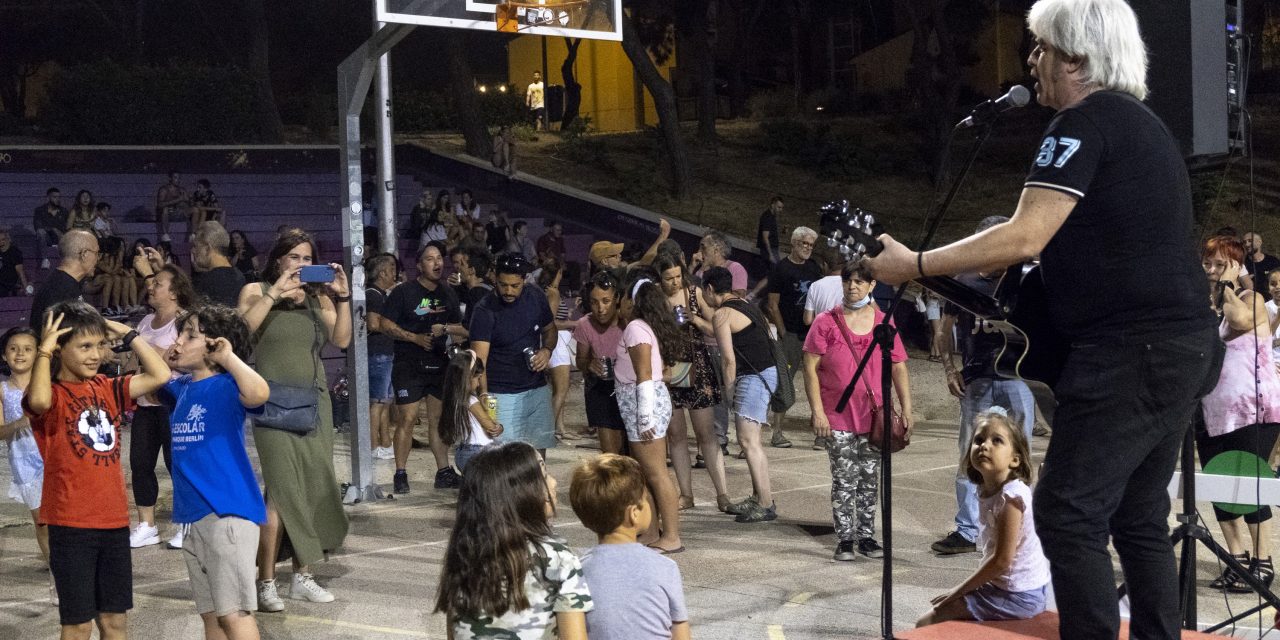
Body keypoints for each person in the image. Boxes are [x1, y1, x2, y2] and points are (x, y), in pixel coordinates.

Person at [862, 1, 1221, 636]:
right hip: (1181, 348)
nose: (1032, 62)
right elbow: (1086, 247)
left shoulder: (1080, 123)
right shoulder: (1143, 125)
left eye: (1042, 49)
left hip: (1129, 355)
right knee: (1136, 516)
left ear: (1076, 59)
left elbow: (1025, 235)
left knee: (1066, 514)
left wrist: (914, 262)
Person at [26, 301, 171, 640]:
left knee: (114, 623)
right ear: (60, 347)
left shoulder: (107, 387)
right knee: (77, 627)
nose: (95, 355)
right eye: (84, 346)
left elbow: (160, 375)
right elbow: (39, 402)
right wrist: (44, 352)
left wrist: (127, 332)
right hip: (71, 524)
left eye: (99, 345)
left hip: (113, 521)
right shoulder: (54, 394)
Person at [237, 229, 351, 612]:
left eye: (307, 259)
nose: (301, 265)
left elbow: (344, 340)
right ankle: (265, 582)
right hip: (272, 405)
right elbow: (241, 333)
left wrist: (342, 295)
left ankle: (303, 576)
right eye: (295, 258)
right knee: (281, 493)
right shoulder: (256, 290)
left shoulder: (318, 298)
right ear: (279, 260)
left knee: (314, 488)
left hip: (315, 404)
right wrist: (275, 293)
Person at [931, 217, 1037, 556]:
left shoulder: (1025, 281)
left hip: (1018, 376)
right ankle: (967, 529)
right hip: (977, 377)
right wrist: (950, 369)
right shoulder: (963, 282)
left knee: (1019, 454)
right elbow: (943, 330)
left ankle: (1017, 526)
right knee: (970, 454)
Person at [163, 305, 269, 640]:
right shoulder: (182, 388)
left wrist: (229, 359)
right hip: (194, 518)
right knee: (212, 618)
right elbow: (151, 373)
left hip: (227, 514)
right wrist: (134, 339)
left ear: (215, 346)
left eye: (190, 335)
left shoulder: (227, 384)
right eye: (179, 333)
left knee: (235, 615)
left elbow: (259, 393)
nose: (178, 341)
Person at [802, 261, 912, 559]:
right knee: (844, 478)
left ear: (872, 285)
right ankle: (845, 539)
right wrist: (818, 411)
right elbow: (810, 368)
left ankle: (866, 537)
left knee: (868, 477)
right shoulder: (825, 322)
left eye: (860, 282)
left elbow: (899, 366)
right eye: (849, 281)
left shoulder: (883, 323)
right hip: (838, 416)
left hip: (873, 416)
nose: (853, 286)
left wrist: (906, 406)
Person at [433, 441, 592, 639]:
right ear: (521, 493)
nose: (553, 483)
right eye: (544, 476)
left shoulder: (465, 552)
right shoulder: (557, 557)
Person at [1197, 235, 1280, 591]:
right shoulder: (1212, 307)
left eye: (1220, 264)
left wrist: (1231, 285)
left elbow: (1242, 321)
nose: (1212, 270)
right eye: (1208, 264)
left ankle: (1263, 561)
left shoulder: (1253, 300)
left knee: (1248, 483)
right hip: (1214, 411)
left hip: (1252, 410)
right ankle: (1237, 558)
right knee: (1219, 482)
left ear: (1236, 265)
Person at [917, 409, 1050, 626]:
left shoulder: (1011, 497)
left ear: (1015, 460)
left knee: (926, 622)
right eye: (979, 440)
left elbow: (1002, 561)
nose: (984, 445)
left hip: (1018, 595)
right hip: (1013, 588)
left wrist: (956, 592)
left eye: (997, 440)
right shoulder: (987, 489)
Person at [372, 242, 466, 493]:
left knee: (437, 419)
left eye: (439, 259)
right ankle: (400, 473)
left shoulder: (448, 293)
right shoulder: (403, 292)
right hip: (408, 364)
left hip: (439, 363)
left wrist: (451, 337)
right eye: (430, 259)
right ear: (419, 265)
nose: (437, 263)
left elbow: (458, 327)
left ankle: (443, 471)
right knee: (408, 418)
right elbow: (384, 324)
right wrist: (414, 338)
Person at [569, 454, 691, 640]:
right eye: (645, 500)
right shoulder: (664, 567)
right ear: (634, 513)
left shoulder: (577, 570)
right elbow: (681, 634)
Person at [125, 263, 196, 550]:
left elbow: (176, 360)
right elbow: (135, 361)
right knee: (140, 463)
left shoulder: (185, 322)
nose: (150, 287)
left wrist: (139, 344)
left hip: (174, 404)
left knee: (176, 464)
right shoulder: (144, 323)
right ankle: (146, 525)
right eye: (151, 283)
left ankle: (184, 523)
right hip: (145, 404)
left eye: (158, 284)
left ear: (175, 291)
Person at [703, 266, 780, 523]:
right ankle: (760, 496)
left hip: (753, 377)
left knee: (748, 443)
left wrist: (729, 392)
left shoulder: (722, 314)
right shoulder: (746, 305)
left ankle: (766, 504)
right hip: (766, 373)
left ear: (710, 289)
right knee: (752, 441)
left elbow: (727, 360)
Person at [615, 269, 683, 552]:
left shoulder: (635, 329)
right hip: (645, 401)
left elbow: (644, 374)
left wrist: (645, 418)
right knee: (647, 472)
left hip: (644, 404)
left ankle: (672, 536)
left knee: (656, 473)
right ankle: (653, 530)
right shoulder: (644, 327)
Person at [656, 255, 729, 512]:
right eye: (668, 278)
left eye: (678, 276)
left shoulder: (695, 293)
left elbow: (715, 327)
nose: (674, 282)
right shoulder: (654, 299)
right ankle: (686, 494)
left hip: (698, 370)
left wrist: (695, 319)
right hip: (668, 371)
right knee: (675, 436)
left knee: (706, 434)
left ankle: (723, 494)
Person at [469, 253, 558, 455]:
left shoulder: (536, 296)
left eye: (515, 286)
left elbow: (550, 330)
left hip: (537, 389)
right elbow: (479, 361)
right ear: (495, 279)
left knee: (538, 452)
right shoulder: (484, 310)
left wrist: (547, 350)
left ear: (524, 280)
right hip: (502, 394)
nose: (508, 291)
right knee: (506, 458)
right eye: (503, 285)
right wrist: (484, 395)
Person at [0, 327, 53, 603]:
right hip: (25, 462)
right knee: (42, 521)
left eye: (27, 348)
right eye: (13, 348)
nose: (20, 353)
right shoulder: (2, 390)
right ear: (4, 355)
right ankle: (57, 577)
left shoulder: (49, 385)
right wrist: (20, 422)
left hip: (55, 457)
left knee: (63, 519)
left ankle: (69, 570)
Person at [765, 227, 823, 449]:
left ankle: (820, 431)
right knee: (784, 381)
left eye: (811, 245)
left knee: (817, 382)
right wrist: (782, 332)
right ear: (794, 243)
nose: (808, 248)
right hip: (790, 333)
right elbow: (772, 304)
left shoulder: (814, 268)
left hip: (811, 333)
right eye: (804, 244)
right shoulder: (781, 269)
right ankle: (777, 432)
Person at [573, 270, 628, 454]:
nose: (600, 308)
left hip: (628, 387)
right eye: (595, 302)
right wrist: (588, 364)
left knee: (631, 451)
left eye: (606, 301)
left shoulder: (627, 322)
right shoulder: (584, 324)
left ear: (617, 298)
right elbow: (580, 360)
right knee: (610, 454)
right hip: (599, 389)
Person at [436, 350, 503, 472]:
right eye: (477, 378)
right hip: (478, 453)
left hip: (463, 453)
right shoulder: (471, 401)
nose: (478, 384)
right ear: (467, 378)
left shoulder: (453, 400)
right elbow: (491, 427)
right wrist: (496, 421)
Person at [363, 253, 398, 461]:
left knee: (385, 402)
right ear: (383, 272)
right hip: (378, 354)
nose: (395, 272)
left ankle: (386, 442)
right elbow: (373, 324)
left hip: (386, 353)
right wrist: (395, 328)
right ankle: (374, 445)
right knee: (376, 402)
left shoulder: (382, 294)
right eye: (392, 268)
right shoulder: (373, 295)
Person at [31, 229, 97, 332]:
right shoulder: (60, 288)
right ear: (84, 254)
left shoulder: (67, 282)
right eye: (96, 253)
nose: (98, 259)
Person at [188, 222, 247, 307]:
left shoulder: (205, 282)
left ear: (207, 248)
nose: (193, 251)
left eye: (195, 246)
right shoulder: (240, 276)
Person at [33, 187, 67, 270]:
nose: (57, 199)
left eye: (59, 197)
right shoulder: (40, 210)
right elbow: (37, 226)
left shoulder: (64, 211)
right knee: (40, 232)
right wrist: (53, 229)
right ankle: (45, 259)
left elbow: (66, 227)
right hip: (47, 238)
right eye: (54, 197)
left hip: (60, 237)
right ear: (48, 198)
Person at [1242, 232, 1280, 298]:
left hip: (1272, 301)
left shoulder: (1273, 261)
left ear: (1259, 242)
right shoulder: (1242, 264)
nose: (1247, 244)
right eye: (1244, 242)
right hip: (1251, 302)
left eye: (1250, 241)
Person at [155, 170, 187, 242]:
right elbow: (159, 205)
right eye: (175, 177)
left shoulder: (181, 190)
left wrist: (186, 199)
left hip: (178, 213)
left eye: (179, 178)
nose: (177, 180)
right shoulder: (164, 190)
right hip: (167, 214)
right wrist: (177, 200)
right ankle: (165, 234)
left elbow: (187, 202)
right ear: (170, 178)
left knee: (192, 209)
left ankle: (192, 234)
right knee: (165, 209)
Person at [0, 227, 32, 296]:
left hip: (9, 284)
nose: (1, 242)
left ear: (7, 239)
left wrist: (26, 288)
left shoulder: (15, 252)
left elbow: (20, 272)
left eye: (3, 240)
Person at [756, 196, 783, 277]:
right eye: (779, 207)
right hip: (770, 250)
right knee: (775, 272)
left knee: (771, 273)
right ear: (772, 205)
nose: (780, 210)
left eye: (781, 208)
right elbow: (765, 237)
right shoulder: (767, 217)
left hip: (772, 249)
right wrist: (770, 254)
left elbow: (771, 234)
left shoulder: (771, 216)